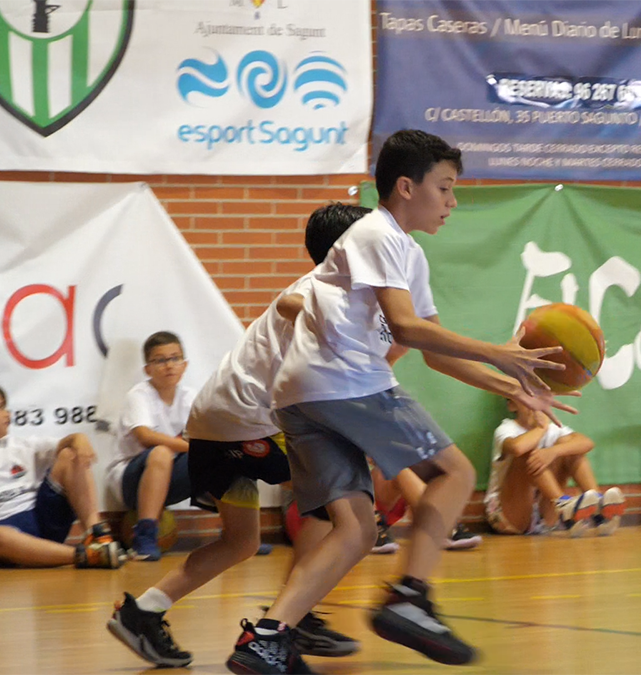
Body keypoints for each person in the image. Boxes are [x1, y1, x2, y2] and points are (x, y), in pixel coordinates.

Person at [229, 129, 571, 675]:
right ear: (407, 186)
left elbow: (434, 352)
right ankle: (411, 596)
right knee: (455, 472)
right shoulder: (377, 233)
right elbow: (408, 330)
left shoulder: (403, 251)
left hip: (302, 395)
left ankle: (266, 637)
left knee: (358, 530)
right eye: (446, 188)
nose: (453, 202)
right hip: (344, 384)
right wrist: (496, 353)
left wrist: (511, 384)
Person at [107, 203, 370, 668]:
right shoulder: (321, 293)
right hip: (248, 423)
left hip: (214, 424)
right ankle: (294, 618)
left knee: (241, 541)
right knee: (337, 507)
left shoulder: (347, 299)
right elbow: (292, 307)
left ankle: (142, 612)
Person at [0, 382, 124, 569]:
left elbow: (66, 444)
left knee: (70, 455)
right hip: (4, 534)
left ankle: (97, 535)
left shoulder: (19, 445)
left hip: (40, 518)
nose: (8, 414)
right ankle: (87, 555)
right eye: (0, 408)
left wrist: (78, 438)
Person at [104, 331, 196, 561]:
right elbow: (145, 437)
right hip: (130, 481)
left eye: (175, 358)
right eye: (160, 360)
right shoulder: (139, 395)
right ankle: (144, 537)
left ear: (184, 365)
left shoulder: (190, 396)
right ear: (148, 369)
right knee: (161, 452)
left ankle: (238, 535)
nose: (169, 366)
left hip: (167, 478)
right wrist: (192, 448)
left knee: (222, 456)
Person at [486, 398, 625, 537]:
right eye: (527, 397)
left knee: (568, 445)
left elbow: (587, 443)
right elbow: (517, 448)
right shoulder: (506, 428)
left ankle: (598, 510)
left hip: (546, 514)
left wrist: (553, 452)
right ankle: (565, 507)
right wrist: (541, 428)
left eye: (539, 396)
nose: (535, 403)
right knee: (526, 450)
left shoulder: (555, 429)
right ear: (512, 405)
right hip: (509, 516)